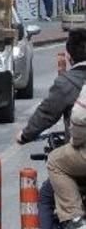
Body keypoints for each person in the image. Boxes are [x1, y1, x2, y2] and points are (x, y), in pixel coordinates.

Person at [17, 29, 86, 229]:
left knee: (47, 194)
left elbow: (46, 114)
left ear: (70, 56)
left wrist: (24, 135)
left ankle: (75, 219)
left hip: (80, 155)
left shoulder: (67, 82)